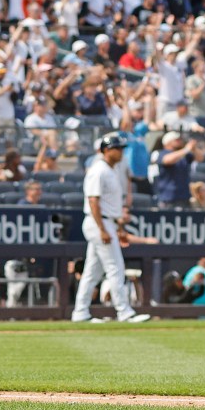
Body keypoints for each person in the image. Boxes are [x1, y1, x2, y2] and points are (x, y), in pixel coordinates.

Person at [71, 132, 150, 324]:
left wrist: (116, 228)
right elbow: (93, 201)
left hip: (105, 222)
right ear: (106, 150)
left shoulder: (111, 170)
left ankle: (80, 312)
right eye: (117, 148)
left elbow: (108, 205)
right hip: (98, 222)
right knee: (115, 268)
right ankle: (124, 312)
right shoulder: (98, 170)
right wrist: (103, 229)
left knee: (92, 272)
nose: (121, 152)